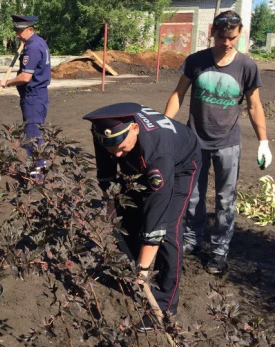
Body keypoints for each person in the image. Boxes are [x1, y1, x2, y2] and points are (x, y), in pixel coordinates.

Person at [164, 10, 271, 274]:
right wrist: (164, 126)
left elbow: (254, 106)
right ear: (212, 32)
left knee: (225, 199)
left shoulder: (246, 66)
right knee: (193, 195)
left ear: (240, 34)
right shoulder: (196, 61)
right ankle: (192, 239)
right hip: (195, 141)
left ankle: (219, 250)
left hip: (228, 144)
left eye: (232, 38)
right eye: (222, 37)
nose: (226, 43)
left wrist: (264, 141)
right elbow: (178, 94)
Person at [84, 102, 201, 332]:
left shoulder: (158, 153)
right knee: (126, 213)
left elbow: (156, 218)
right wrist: (112, 210)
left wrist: (144, 269)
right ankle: (133, 270)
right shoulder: (106, 135)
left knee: (168, 230)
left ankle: (165, 304)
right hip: (139, 156)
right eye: (111, 147)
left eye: (121, 147)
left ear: (135, 128)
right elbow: (107, 177)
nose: (116, 153)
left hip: (181, 165)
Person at [0, 14, 51, 176]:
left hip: (33, 97)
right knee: (34, 133)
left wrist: (7, 82)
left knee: (32, 135)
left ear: (30, 29)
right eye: (15, 30)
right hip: (37, 95)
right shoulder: (37, 42)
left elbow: (25, 77)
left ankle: (38, 173)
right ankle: (38, 169)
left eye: (19, 31)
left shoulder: (33, 47)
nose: (16, 34)